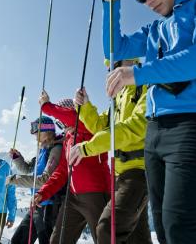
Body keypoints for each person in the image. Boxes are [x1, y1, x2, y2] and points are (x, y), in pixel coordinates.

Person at [101, 0, 196, 243]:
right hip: (154, 132)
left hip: (195, 125)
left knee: (183, 232)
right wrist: (111, 3)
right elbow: (114, 48)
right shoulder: (156, 29)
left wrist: (138, 73)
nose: (147, 1)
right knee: (165, 232)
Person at [70, 59, 152, 244]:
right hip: (119, 175)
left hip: (139, 172)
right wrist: (84, 107)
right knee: (137, 239)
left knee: (108, 229)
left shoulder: (146, 85)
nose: (111, 69)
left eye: (115, 64)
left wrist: (87, 148)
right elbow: (100, 126)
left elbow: (136, 127)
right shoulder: (119, 98)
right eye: (109, 66)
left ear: (131, 60)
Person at [32, 90, 111, 243]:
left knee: (104, 239)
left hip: (95, 194)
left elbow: (75, 117)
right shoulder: (68, 139)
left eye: (61, 120)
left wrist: (47, 106)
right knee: (57, 240)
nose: (62, 126)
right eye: (59, 124)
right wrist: (44, 192)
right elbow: (62, 171)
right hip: (72, 197)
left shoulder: (88, 127)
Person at [9, 116, 63, 244]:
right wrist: (17, 158)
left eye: (36, 131)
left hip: (50, 206)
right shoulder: (43, 150)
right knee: (18, 240)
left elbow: (45, 179)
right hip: (37, 204)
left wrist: (14, 180)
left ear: (47, 131)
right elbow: (28, 168)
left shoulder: (56, 149)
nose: (34, 135)